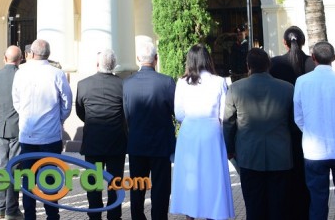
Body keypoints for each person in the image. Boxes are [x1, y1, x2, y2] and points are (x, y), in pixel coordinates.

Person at [224, 48, 293, 220]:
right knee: (279, 207)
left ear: (248, 66)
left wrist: (229, 149)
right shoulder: (287, 88)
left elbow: (228, 123)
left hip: (249, 155)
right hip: (280, 155)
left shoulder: (235, 89)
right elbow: (294, 123)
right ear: (268, 65)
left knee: (253, 206)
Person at [294, 41, 335, 220]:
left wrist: (310, 131)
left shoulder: (302, 82)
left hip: (314, 152)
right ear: (334, 58)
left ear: (313, 58)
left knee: (317, 202)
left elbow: (298, 117)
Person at [170, 44, 234, 219]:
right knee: (212, 177)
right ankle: (212, 213)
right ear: (208, 59)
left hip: (189, 132)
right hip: (212, 132)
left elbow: (179, 113)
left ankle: (189, 215)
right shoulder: (219, 81)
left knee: (189, 177)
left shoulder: (182, 83)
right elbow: (223, 113)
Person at [12, 39, 72, 220]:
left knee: (28, 179)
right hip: (50, 136)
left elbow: (16, 102)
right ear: (48, 54)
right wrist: (59, 119)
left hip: (28, 135)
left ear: (32, 53)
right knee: (50, 179)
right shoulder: (57, 74)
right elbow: (67, 102)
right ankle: (52, 216)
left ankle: (30, 216)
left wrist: (26, 117)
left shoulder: (20, 73)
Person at [123, 40, 175, 220]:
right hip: (161, 144)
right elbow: (175, 111)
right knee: (161, 189)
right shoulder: (167, 82)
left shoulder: (127, 83)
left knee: (137, 188)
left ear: (138, 59)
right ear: (156, 59)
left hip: (137, 143)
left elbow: (127, 114)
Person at [269, 25, 314, 220]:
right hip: (308, 129)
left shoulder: (275, 64)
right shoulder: (312, 64)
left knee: (286, 177)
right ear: (303, 41)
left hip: (283, 128)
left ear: (284, 42)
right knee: (306, 177)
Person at [76, 48, 126, 220]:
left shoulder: (83, 84)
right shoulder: (123, 84)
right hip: (116, 141)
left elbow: (80, 111)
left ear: (97, 64)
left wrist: (91, 121)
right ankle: (114, 216)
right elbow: (126, 112)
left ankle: (95, 216)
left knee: (93, 183)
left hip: (93, 141)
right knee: (115, 182)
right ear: (114, 65)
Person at [0, 45, 22, 220]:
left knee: (2, 167)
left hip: (1, 126)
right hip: (17, 127)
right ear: (20, 59)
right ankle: (12, 209)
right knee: (14, 168)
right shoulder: (22, 76)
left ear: (4, 58)